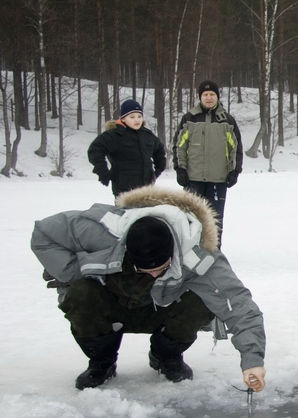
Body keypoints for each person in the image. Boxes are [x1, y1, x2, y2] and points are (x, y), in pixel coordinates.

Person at [31, 185, 267, 392]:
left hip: (163, 309)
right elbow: (43, 233)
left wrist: (252, 360)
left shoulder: (198, 254)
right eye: (144, 269)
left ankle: (166, 355)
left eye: (161, 268)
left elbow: (239, 305)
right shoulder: (103, 229)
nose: (154, 274)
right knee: (81, 291)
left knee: (202, 301)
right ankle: (101, 362)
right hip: (112, 305)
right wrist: (72, 272)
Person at [173, 80, 243, 244]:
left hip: (218, 180)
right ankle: (192, 253)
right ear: (200, 97)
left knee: (215, 221)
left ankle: (214, 255)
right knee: (192, 219)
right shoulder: (189, 118)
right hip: (193, 179)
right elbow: (179, 146)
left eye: (212, 94)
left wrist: (234, 171)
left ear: (217, 97)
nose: (209, 98)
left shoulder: (227, 120)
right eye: (205, 95)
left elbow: (236, 148)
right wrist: (180, 169)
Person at [87, 99, 166, 197]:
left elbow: (159, 150)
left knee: (147, 213)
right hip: (124, 191)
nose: (137, 120)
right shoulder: (114, 135)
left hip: (147, 189)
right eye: (132, 117)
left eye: (139, 116)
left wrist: (158, 170)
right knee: (127, 213)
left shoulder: (147, 134)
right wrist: (103, 172)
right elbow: (95, 150)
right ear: (123, 119)